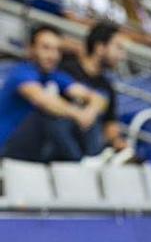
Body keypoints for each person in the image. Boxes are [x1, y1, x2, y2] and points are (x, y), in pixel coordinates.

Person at [0, 25, 107, 162]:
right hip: (6, 148)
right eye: (46, 48)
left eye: (58, 50)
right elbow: (43, 101)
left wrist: (89, 112)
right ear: (31, 49)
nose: (53, 55)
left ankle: (92, 158)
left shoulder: (54, 76)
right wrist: (78, 114)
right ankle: (82, 161)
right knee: (52, 115)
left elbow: (98, 97)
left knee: (83, 110)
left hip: (33, 150)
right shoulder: (21, 73)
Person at [60, 22, 128, 152]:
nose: (122, 56)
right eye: (118, 48)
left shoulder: (107, 87)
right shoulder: (66, 71)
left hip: (86, 152)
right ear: (100, 47)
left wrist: (118, 143)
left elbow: (110, 125)